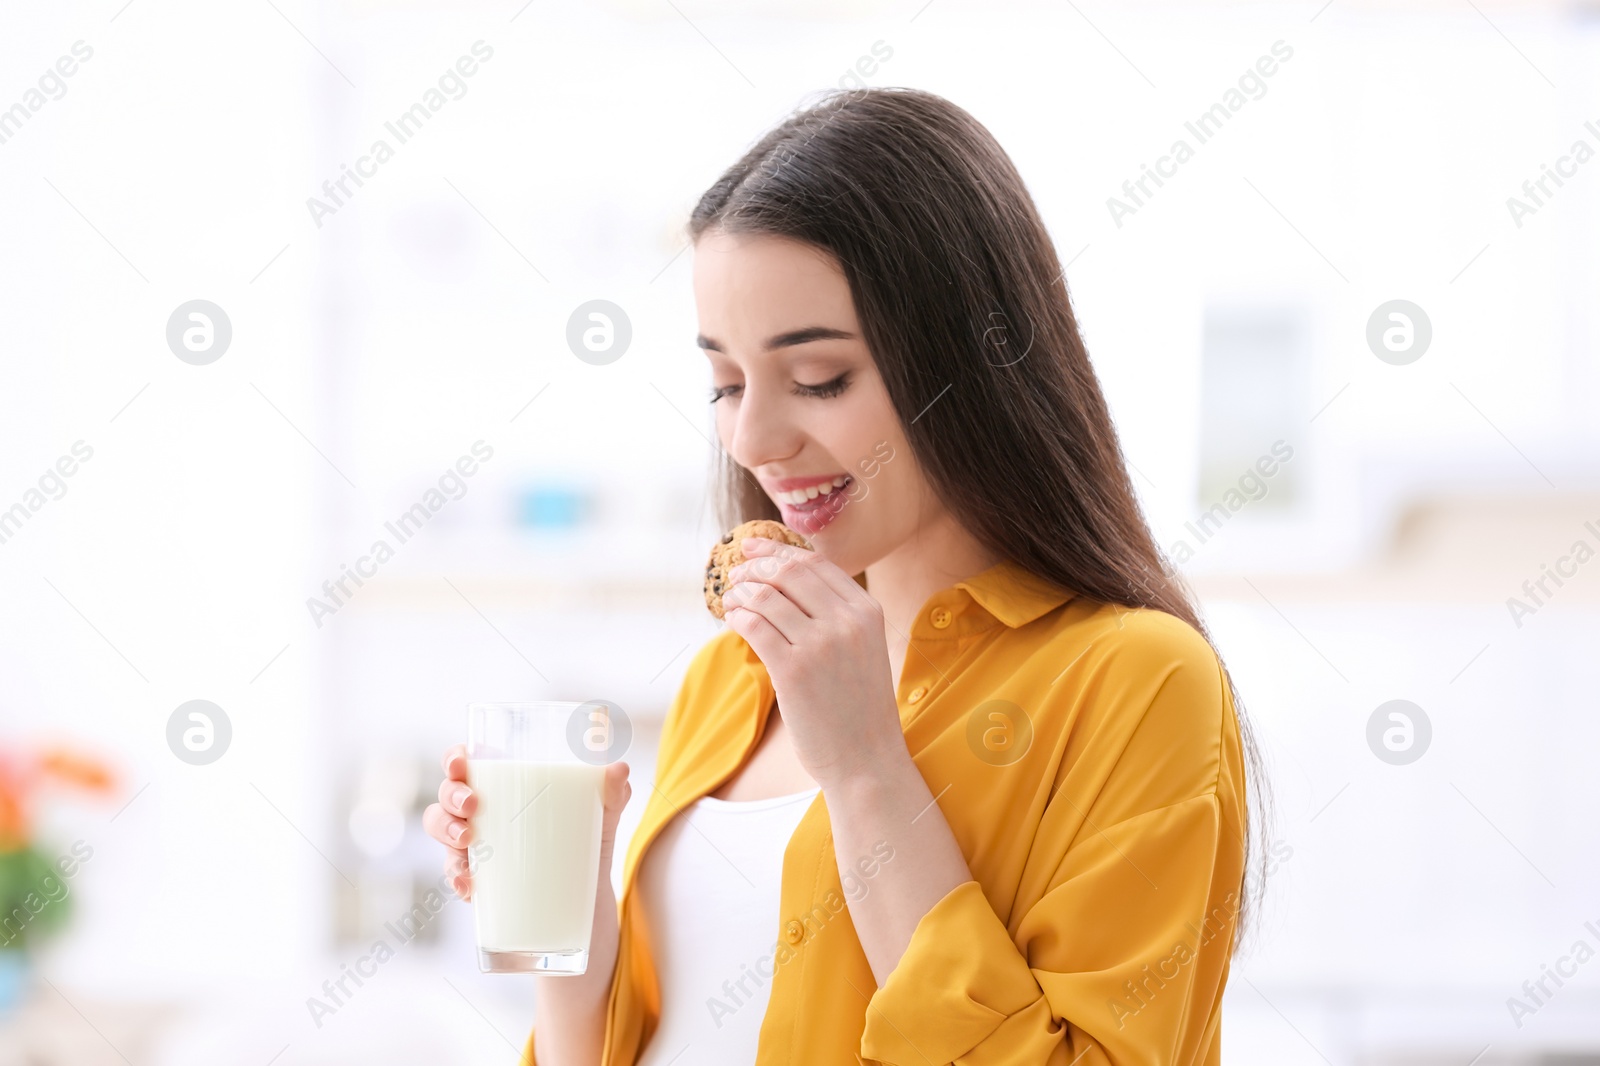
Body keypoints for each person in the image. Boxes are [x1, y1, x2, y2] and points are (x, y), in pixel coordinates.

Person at [425, 86, 1268, 1066]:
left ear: (971, 361)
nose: (754, 439)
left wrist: (867, 766)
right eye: (726, 383)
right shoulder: (731, 679)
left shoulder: (1134, 682)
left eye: (819, 378)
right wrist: (564, 933)